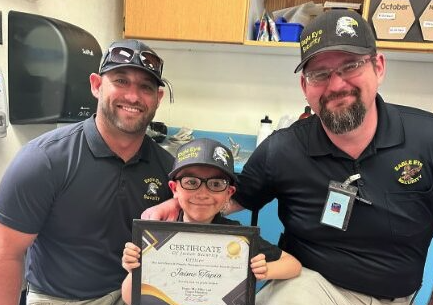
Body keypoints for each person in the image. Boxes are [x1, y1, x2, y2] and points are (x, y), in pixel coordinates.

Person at [142, 9, 433, 305]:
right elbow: (232, 197)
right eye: (320, 74)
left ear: (379, 67)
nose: (335, 85)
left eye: (350, 66)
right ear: (305, 87)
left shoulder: (427, 138)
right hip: (311, 284)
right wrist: (179, 202)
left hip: (399, 297)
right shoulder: (283, 149)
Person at [0, 39, 174, 305]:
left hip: (133, 294)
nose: (133, 96)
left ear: (157, 99)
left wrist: (177, 200)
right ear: (96, 85)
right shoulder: (44, 161)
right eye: (121, 81)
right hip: (59, 298)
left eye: (146, 87)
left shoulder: (167, 169)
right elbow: (7, 253)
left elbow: (213, 205)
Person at [121, 138, 302, 305]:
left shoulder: (240, 239)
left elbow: (293, 265)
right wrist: (134, 271)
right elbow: (130, 299)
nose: (202, 193)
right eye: (191, 182)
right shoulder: (157, 236)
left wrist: (265, 270)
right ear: (174, 189)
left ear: (228, 194)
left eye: (216, 184)